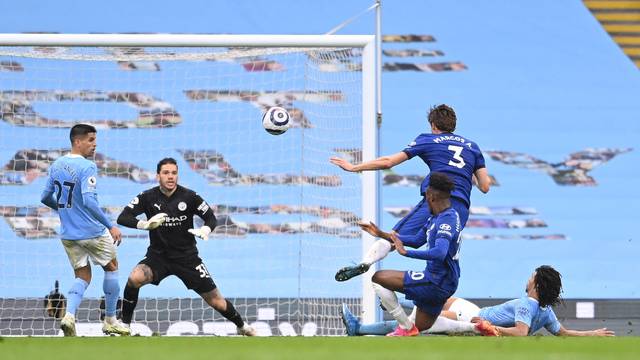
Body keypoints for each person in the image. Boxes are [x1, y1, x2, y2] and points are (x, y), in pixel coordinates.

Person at [331, 104, 491, 282]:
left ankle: (367, 261)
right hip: (460, 208)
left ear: (433, 125)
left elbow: (388, 162)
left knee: (396, 236)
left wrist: (354, 167)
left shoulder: (427, 139)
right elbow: (485, 186)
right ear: (453, 125)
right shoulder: (472, 147)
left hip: (436, 200)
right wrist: (465, 173)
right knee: (443, 255)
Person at [116, 157, 256, 336]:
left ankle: (242, 326)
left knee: (217, 302)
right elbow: (123, 217)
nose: (170, 177)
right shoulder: (147, 197)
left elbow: (211, 217)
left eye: (174, 173)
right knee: (134, 278)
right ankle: (125, 325)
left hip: (187, 258)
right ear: (158, 175)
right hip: (158, 257)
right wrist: (145, 224)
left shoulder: (189, 196)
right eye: (166, 173)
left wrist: (206, 229)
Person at [341, 265, 615, 337]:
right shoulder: (543, 311)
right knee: (432, 303)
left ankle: (365, 326)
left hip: (469, 319)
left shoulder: (527, 304)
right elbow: (564, 334)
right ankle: (397, 305)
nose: (528, 279)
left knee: (413, 323)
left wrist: (488, 326)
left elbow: (519, 333)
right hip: (471, 310)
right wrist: (593, 333)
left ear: (537, 284)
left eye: (532, 277)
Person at [40, 123, 129, 337]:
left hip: (68, 234)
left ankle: (69, 316)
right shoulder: (87, 167)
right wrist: (110, 226)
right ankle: (110, 320)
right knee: (112, 267)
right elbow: (89, 201)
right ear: (77, 141)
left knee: (83, 275)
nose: (94, 145)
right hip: (92, 231)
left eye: (95, 141)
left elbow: (45, 197)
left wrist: (64, 210)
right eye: (90, 140)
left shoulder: (57, 164)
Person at [361, 172, 471, 336]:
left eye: (425, 195)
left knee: (378, 278)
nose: (424, 199)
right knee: (421, 325)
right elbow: (417, 239)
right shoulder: (439, 216)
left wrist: (406, 253)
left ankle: (406, 329)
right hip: (446, 281)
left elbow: (440, 253)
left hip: (437, 280)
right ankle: (477, 327)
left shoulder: (445, 220)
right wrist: (382, 234)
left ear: (431, 196)